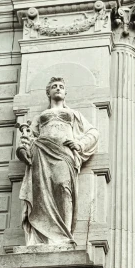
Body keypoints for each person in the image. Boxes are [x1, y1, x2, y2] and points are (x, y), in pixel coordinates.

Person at [17, 76, 98, 246]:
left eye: (61, 86)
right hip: (42, 153)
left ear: (65, 92)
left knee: (63, 187)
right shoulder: (41, 116)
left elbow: (93, 133)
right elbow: (28, 138)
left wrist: (79, 144)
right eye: (54, 86)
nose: (58, 88)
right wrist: (22, 150)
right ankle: (42, 235)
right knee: (41, 193)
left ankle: (64, 235)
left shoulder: (73, 114)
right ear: (48, 92)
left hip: (64, 154)